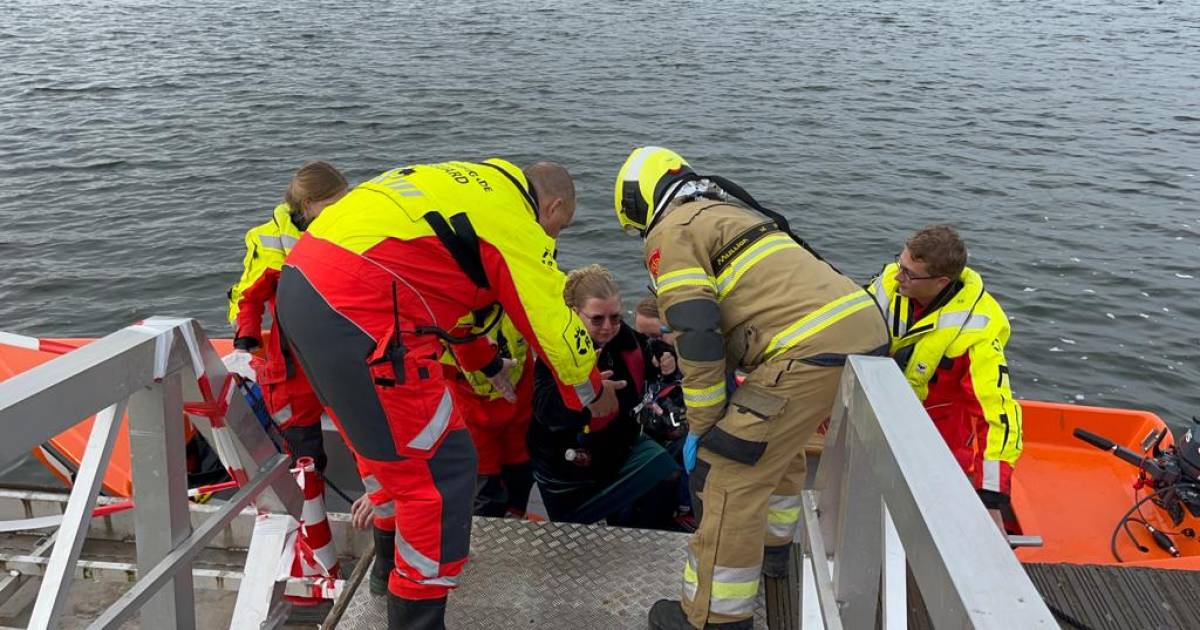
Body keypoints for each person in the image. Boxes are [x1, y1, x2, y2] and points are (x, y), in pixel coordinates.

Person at [273, 158, 618, 629]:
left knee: (387, 458)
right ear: (553, 206)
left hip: (305, 290)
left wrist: (486, 360)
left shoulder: (465, 183)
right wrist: (592, 395)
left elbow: (439, 292)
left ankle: (385, 571)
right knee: (441, 474)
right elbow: (554, 326)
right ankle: (416, 618)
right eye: (559, 226)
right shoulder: (514, 222)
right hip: (360, 310)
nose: (553, 239)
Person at [613, 147, 890, 630]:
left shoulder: (672, 231)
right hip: (856, 331)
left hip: (807, 350)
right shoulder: (727, 212)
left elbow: (696, 331)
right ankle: (772, 550)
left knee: (728, 470)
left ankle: (714, 616)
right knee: (775, 446)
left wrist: (703, 427)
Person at [867, 225, 1022, 529]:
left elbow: (998, 415)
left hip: (938, 443)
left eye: (909, 273)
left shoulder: (979, 329)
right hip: (877, 417)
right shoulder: (888, 283)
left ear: (941, 281)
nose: (898, 276)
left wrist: (991, 499)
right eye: (900, 265)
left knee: (927, 527)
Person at [528, 265, 680, 528]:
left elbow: (648, 349)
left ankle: (637, 537)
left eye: (616, 317)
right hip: (567, 463)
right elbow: (544, 410)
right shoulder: (556, 350)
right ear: (575, 313)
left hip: (617, 447)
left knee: (667, 473)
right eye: (597, 319)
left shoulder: (623, 337)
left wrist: (665, 356)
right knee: (571, 533)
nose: (608, 328)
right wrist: (588, 393)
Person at [226, 161, 347, 472]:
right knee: (303, 450)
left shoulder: (348, 227)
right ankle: (309, 509)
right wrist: (247, 337)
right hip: (295, 353)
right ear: (308, 204)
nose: (341, 210)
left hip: (341, 345)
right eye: (334, 204)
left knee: (364, 435)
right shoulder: (270, 240)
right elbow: (248, 295)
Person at [445, 315, 536, 518]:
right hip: (469, 406)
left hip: (521, 399)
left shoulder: (522, 288)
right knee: (485, 493)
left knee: (521, 475)